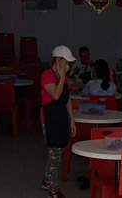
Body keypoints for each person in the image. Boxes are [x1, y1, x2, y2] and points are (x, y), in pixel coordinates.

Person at [41, 45, 77, 198]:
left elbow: (66, 99)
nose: (68, 65)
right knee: (54, 154)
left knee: (59, 151)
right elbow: (55, 95)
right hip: (49, 120)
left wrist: (72, 120)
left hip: (61, 117)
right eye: (66, 62)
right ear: (58, 61)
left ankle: (47, 180)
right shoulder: (47, 75)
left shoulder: (65, 78)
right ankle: (53, 190)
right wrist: (62, 77)